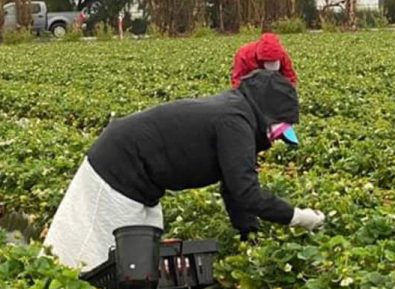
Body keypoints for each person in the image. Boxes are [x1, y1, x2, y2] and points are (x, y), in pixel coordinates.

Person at [44, 71, 324, 271]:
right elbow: (246, 192)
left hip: (142, 181)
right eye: (279, 131)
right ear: (267, 116)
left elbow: (234, 188)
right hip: (117, 171)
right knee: (102, 254)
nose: (276, 139)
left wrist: (249, 234)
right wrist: (298, 217)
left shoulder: (237, 114)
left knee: (142, 257)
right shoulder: (235, 123)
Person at [231, 32, 298, 89]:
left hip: (275, 88)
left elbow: (290, 78)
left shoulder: (282, 55)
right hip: (252, 89)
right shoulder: (244, 55)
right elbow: (237, 82)